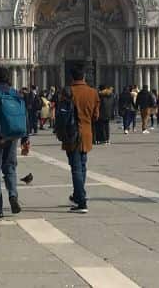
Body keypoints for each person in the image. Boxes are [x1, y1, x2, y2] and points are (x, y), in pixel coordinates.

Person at [57, 65, 99, 213]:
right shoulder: (93, 92)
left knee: (76, 168)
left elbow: (61, 115)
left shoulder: (68, 91)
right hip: (86, 134)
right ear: (84, 77)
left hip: (71, 135)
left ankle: (81, 202)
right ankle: (77, 194)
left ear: (72, 78)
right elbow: (96, 116)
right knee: (82, 166)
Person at [0, 67, 30, 217]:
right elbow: (24, 116)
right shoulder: (16, 94)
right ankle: (13, 195)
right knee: (10, 168)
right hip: (13, 136)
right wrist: (25, 138)